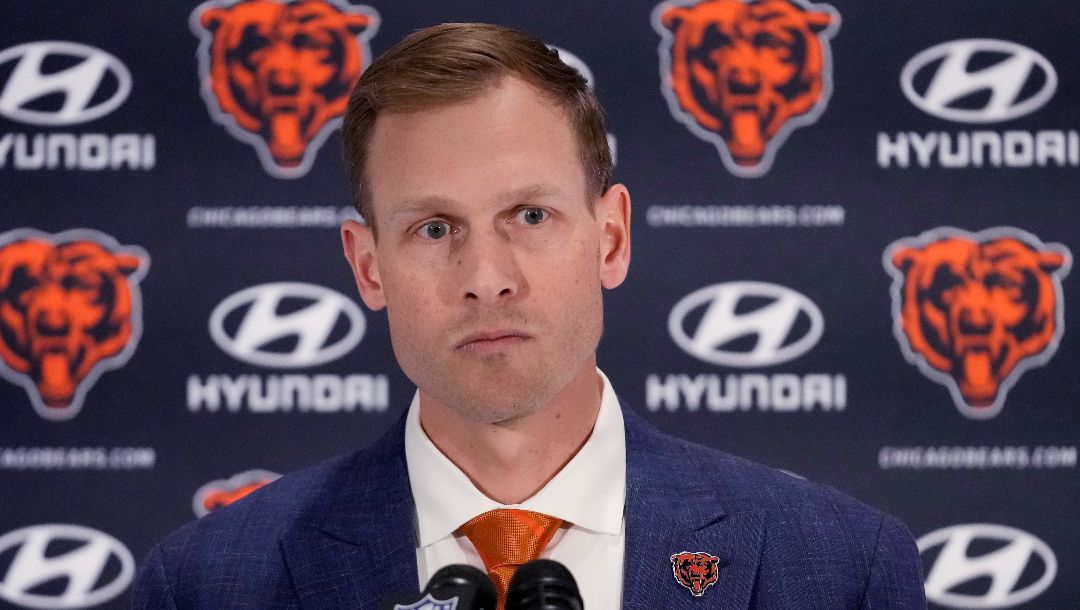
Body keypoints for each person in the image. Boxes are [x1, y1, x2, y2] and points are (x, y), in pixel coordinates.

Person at [134, 23, 926, 609]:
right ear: (368, 266)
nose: (486, 279)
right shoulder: (203, 585)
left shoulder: (845, 570)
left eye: (530, 216)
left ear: (610, 238)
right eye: (434, 228)